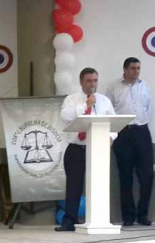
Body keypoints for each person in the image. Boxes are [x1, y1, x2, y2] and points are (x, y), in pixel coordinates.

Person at [55, 68, 117, 232]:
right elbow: (65, 116)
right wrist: (86, 105)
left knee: (98, 184)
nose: (92, 84)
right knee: (74, 186)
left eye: (95, 80)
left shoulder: (104, 101)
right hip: (76, 148)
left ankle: (100, 219)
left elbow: (114, 122)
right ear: (81, 81)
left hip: (98, 150)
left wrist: (111, 137)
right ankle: (69, 222)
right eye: (89, 81)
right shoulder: (72, 99)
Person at [105, 57, 153, 226]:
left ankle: (143, 214)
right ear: (125, 69)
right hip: (122, 133)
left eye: (138, 68)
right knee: (125, 176)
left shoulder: (144, 85)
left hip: (142, 131)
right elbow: (108, 111)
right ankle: (129, 216)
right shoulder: (113, 87)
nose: (136, 71)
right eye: (133, 68)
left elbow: (146, 108)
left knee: (147, 175)